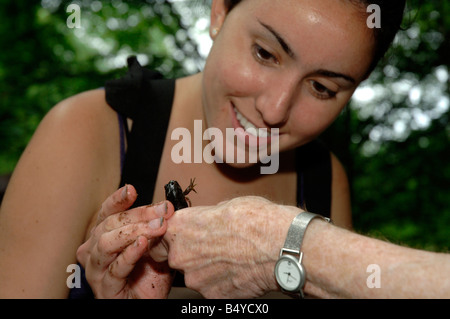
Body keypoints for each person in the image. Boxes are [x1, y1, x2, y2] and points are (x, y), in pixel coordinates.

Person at [0, 0, 409, 298]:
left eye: (322, 87)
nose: (274, 108)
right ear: (219, 12)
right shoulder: (83, 131)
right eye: (265, 53)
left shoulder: (322, 180)